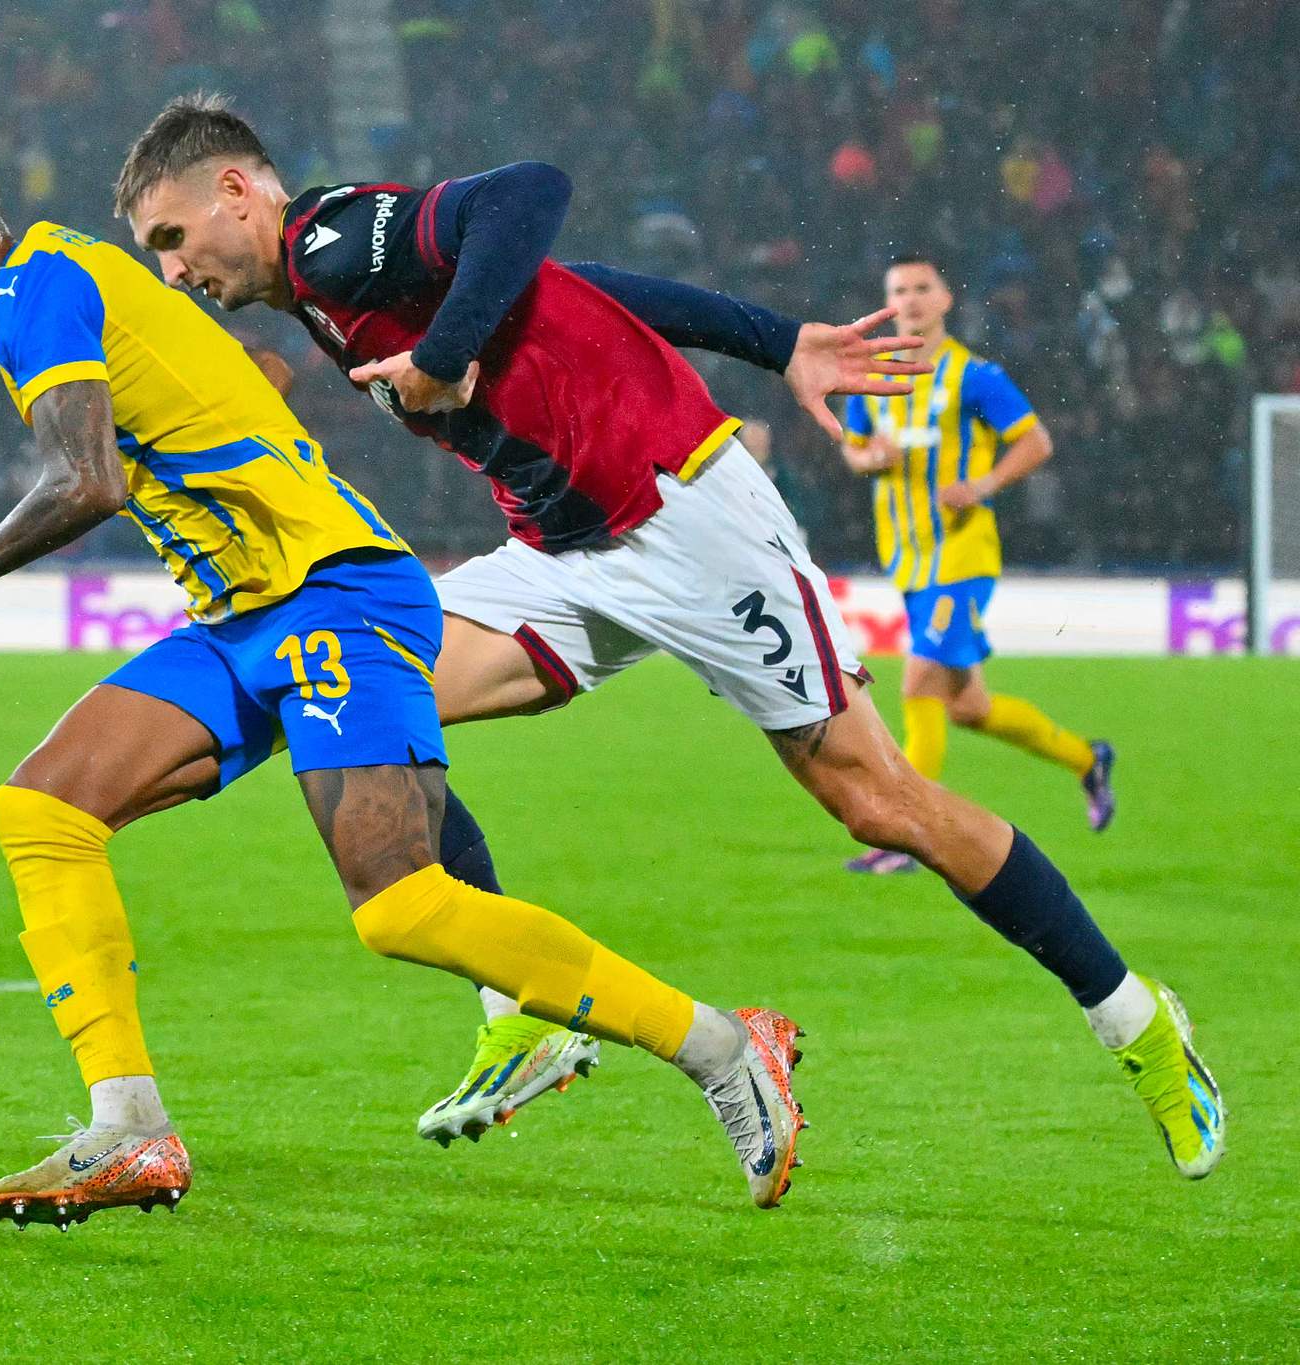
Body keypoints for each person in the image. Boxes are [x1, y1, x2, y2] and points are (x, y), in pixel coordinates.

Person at [113, 94, 1224, 1181]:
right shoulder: (319, 290)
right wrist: (775, 339)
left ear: (236, 189)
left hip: (681, 519)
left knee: (880, 801)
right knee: (367, 688)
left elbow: (527, 195)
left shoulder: (328, 241)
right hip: (562, 549)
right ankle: (518, 1016)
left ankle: (1139, 1027)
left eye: (173, 237)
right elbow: (572, 289)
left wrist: (447, 355)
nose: (173, 270)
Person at [0, 144, 809, 1226]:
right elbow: (233, 382)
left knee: (400, 907)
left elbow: (85, 480)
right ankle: (128, 1130)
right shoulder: (72, 280)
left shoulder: (35, 290)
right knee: (40, 809)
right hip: (240, 615)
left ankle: (725, 1046)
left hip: (331, 597)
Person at [839, 257, 1117, 875]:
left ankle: (905, 835)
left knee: (916, 686)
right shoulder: (877, 375)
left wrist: (982, 483)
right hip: (908, 557)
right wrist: (871, 458)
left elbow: (1036, 442)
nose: (909, 299)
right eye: (897, 290)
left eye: (921, 289)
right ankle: (1086, 760)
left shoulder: (975, 376)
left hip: (960, 556)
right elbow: (853, 450)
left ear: (945, 299)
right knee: (968, 709)